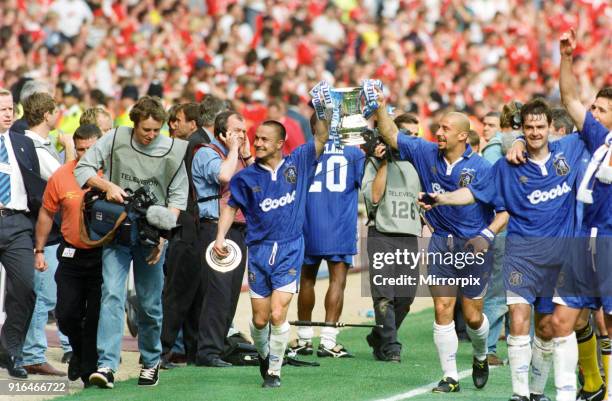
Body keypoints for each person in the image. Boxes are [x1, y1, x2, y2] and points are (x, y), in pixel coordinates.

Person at [434, 99, 588, 401]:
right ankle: (519, 395)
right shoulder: (506, 165)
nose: (534, 133)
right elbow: (474, 194)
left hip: (562, 254)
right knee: (518, 318)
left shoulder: (568, 149)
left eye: (539, 127)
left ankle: (536, 392)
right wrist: (442, 199)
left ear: (549, 128)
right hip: (522, 254)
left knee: (547, 328)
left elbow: (589, 126)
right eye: (528, 128)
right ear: (523, 128)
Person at [375, 97, 509, 393]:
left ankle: (480, 355)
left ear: (463, 136)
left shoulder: (482, 168)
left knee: (473, 316)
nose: (439, 132)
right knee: (442, 307)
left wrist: (486, 236)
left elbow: (502, 211)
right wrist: (380, 107)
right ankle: (449, 376)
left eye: (446, 129)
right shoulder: (425, 151)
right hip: (441, 243)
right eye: (438, 127)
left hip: (473, 246)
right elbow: (390, 134)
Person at [74, 96, 189, 388]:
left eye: (156, 129)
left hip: (152, 231)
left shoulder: (174, 149)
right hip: (117, 228)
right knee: (112, 294)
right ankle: (107, 365)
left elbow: (177, 199)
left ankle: (151, 362)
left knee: (150, 304)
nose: (151, 135)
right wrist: (108, 185)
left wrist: (164, 234)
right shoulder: (114, 138)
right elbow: (82, 170)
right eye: (145, 129)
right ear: (134, 124)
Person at [213, 117, 329, 388]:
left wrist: (323, 110)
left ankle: (275, 371)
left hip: (289, 247)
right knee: (260, 318)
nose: (258, 143)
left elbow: (321, 138)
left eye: (265, 139)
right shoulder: (245, 177)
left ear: (280, 143)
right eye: (257, 138)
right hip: (258, 251)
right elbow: (230, 208)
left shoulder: (298, 162)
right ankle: (264, 355)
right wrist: (220, 237)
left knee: (278, 314)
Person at [34, 124, 103, 386]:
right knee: (66, 314)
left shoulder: (110, 173)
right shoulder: (62, 175)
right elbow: (46, 213)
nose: (85, 154)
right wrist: (39, 249)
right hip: (71, 254)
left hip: (102, 256)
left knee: (96, 316)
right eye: (81, 149)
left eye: (91, 149)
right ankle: (80, 351)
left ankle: (87, 367)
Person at [291, 115, 364, 358]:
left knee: (307, 281)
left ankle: (303, 339)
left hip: (308, 224)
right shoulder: (353, 154)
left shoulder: (302, 151)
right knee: (337, 281)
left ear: (312, 127)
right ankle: (328, 341)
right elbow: (362, 184)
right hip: (339, 225)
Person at [17, 92, 74, 376]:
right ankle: (33, 354)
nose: (58, 115)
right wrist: (71, 147)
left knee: (44, 295)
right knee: (41, 295)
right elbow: (67, 180)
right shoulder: (34, 146)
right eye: (55, 110)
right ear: (46, 114)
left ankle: (28, 351)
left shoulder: (40, 144)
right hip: (43, 229)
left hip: (48, 228)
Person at [192, 110, 254, 367]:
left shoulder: (239, 155)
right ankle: (207, 352)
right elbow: (224, 177)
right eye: (236, 130)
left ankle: (217, 346)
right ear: (222, 132)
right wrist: (233, 150)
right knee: (217, 292)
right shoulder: (207, 152)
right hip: (214, 228)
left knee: (229, 293)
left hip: (238, 229)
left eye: (243, 130)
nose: (242, 135)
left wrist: (247, 154)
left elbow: (258, 182)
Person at [361, 113, 422, 362]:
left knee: (406, 297)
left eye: (416, 136)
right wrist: (385, 161)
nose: (411, 140)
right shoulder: (374, 162)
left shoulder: (419, 162)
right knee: (384, 295)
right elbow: (374, 197)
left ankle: (380, 335)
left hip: (409, 234)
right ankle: (391, 346)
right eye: (406, 134)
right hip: (382, 233)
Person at [160, 102, 212, 367]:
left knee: (178, 292)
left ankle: (163, 350)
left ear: (193, 123)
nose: (172, 125)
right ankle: (190, 350)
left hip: (186, 225)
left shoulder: (189, 146)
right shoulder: (199, 143)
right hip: (195, 225)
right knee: (193, 292)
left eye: (177, 120)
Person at [0, 88, 45, 379]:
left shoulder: (22, 143)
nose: (8, 114)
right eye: (2, 109)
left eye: (10, 108)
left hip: (17, 224)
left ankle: (9, 351)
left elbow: (41, 185)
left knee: (26, 288)